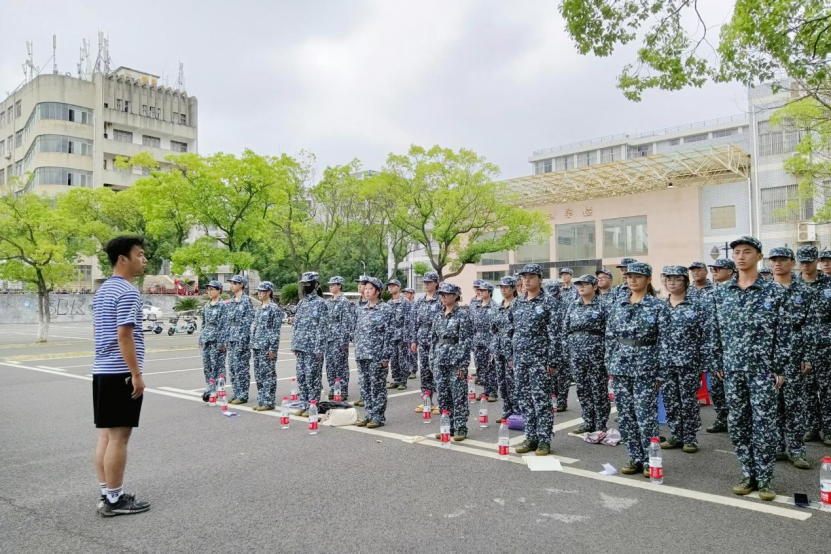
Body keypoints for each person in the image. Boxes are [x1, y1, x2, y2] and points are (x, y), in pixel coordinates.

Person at [711, 236, 791, 501]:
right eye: (737, 252)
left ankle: (765, 478)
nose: (741, 256)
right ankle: (747, 473)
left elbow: (784, 333)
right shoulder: (721, 293)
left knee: (764, 423)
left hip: (763, 370)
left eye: (747, 252)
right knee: (739, 423)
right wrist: (717, 363)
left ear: (759, 257)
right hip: (733, 370)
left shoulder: (775, 292)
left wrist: (780, 369)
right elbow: (715, 332)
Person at [93, 235, 150, 517]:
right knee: (119, 437)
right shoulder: (127, 292)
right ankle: (115, 501)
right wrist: (136, 374)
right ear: (123, 259)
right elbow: (124, 335)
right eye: (140, 254)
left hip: (102, 370)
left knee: (105, 434)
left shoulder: (103, 290)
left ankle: (107, 492)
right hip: (120, 373)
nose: (144, 259)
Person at [605, 262, 669, 477]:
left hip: (646, 366)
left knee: (646, 416)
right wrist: (609, 363)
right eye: (629, 276)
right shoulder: (619, 305)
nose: (632, 280)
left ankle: (651, 460)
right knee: (625, 415)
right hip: (621, 366)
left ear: (648, 279)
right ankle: (635, 457)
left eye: (638, 276)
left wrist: (660, 372)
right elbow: (610, 337)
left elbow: (664, 341)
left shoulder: (658, 306)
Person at [510, 264, 565, 456]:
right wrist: (511, 356)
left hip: (540, 360)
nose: (526, 280)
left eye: (531, 276)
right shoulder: (517, 303)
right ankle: (530, 437)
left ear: (540, 279)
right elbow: (511, 331)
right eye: (524, 277)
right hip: (520, 359)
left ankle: (543, 440)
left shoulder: (549, 303)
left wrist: (553, 361)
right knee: (524, 399)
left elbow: (556, 335)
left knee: (541, 400)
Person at [768, 247, 814, 466]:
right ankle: (776, 447)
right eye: (774, 260)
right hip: (769, 356)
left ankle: (796, 450)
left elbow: (810, 326)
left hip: (795, 355)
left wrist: (808, 356)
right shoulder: (763, 290)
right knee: (771, 403)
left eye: (783, 259)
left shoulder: (804, 291)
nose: (778, 263)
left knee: (795, 405)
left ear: (793, 262)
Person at [658, 265, 710, 453]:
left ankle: (690, 438)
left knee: (688, 401)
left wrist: (704, 363)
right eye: (668, 279)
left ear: (686, 282)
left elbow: (706, 336)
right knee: (671, 400)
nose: (672, 283)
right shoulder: (660, 307)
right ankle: (675, 435)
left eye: (677, 279)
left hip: (689, 362)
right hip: (665, 363)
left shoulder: (697, 306)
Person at [563, 274, 610, 434]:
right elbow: (566, 330)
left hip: (597, 354)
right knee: (582, 388)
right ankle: (588, 421)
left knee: (598, 389)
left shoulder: (603, 306)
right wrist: (567, 352)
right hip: (576, 354)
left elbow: (610, 333)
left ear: (595, 287)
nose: (581, 287)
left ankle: (601, 423)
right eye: (579, 284)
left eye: (585, 284)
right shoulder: (573, 306)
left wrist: (607, 355)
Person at [795, 245, 831, 447]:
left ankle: (829, 430)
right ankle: (812, 427)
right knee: (807, 391)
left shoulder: (829, 284)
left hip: (827, 346)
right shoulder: (794, 286)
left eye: (809, 261)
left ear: (817, 261)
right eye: (802, 261)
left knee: (828, 391)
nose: (806, 265)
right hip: (802, 347)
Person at [430, 282, 474, 441]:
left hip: (455, 361)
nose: (443, 297)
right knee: (443, 396)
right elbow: (433, 340)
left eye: (447, 294)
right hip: (440, 360)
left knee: (458, 396)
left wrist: (463, 364)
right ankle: (447, 426)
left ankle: (460, 427)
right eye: (441, 294)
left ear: (456, 296)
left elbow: (465, 341)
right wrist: (431, 360)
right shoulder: (438, 314)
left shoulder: (463, 315)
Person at [354, 277, 394, 428]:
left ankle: (378, 416)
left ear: (378, 291)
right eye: (365, 288)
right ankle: (369, 414)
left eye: (370, 288)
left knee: (377, 387)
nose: (366, 291)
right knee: (365, 386)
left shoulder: (385, 309)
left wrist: (385, 356)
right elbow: (357, 331)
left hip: (377, 355)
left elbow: (390, 334)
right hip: (362, 354)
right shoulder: (361, 309)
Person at [704, 257, 736, 434]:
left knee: (734, 388)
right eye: (712, 269)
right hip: (711, 346)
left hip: (731, 346)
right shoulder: (710, 292)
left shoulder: (735, 291)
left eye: (718, 268)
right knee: (716, 387)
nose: (714, 271)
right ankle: (722, 418)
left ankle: (736, 419)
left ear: (730, 271)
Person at [292, 272, 327, 417]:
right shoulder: (301, 302)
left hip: (313, 347)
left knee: (312, 377)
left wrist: (319, 348)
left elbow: (323, 327)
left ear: (316, 285)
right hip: (301, 346)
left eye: (308, 283)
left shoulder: (321, 303)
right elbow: (297, 325)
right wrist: (294, 344)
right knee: (301, 376)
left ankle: (313, 405)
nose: (305, 286)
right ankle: (305, 403)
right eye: (304, 284)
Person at [411, 272, 442, 413]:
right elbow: (415, 322)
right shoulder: (420, 301)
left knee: (437, 370)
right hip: (422, 339)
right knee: (424, 371)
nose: (427, 284)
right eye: (425, 282)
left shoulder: (441, 300)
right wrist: (414, 340)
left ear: (436, 283)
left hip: (436, 340)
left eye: (429, 282)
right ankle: (427, 400)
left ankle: (442, 402)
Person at [250, 282, 283, 411]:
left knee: (268, 375)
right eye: (258, 291)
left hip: (267, 346)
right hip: (257, 345)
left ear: (269, 292)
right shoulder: (259, 308)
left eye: (262, 291)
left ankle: (268, 401)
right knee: (258, 375)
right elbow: (255, 328)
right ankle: (261, 400)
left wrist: (273, 348)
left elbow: (275, 330)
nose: (259, 293)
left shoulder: (274, 309)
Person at [491, 276, 517, 420]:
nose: (503, 289)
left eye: (506, 287)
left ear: (513, 288)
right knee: (502, 382)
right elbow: (493, 329)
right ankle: (507, 410)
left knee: (513, 382)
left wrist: (513, 354)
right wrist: (493, 349)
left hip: (512, 349)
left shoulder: (518, 305)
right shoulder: (498, 307)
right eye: (501, 287)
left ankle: (517, 411)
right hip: (499, 348)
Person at [226, 275, 255, 405]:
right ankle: (236, 392)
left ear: (241, 285)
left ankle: (243, 394)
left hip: (241, 338)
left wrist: (243, 339)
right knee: (232, 367)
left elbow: (248, 321)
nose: (231, 285)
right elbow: (228, 321)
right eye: (231, 283)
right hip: (231, 337)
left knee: (241, 367)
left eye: (234, 283)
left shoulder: (246, 301)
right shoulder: (231, 301)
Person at [200, 281, 228, 402]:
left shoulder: (222, 306)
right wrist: (201, 338)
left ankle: (218, 388)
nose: (209, 291)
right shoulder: (206, 305)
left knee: (217, 366)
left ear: (219, 291)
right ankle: (210, 387)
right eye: (208, 289)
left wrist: (222, 342)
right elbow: (204, 323)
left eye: (212, 289)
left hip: (217, 340)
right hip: (207, 339)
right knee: (207, 366)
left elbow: (225, 325)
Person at [325, 276, 352, 401]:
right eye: (330, 284)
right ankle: (333, 388)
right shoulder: (328, 302)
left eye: (333, 284)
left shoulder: (344, 302)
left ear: (339, 285)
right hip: (329, 339)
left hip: (339, 339)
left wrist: (344, 341)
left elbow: (346, 322)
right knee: (330, 366)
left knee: (341, 366)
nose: (331, 286)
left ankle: (343, 390)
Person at [471, 281, 498, 401]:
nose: (480, 292)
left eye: (483, 290)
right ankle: (485, 390)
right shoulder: (476, 306)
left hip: (490, 340)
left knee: (490, 368)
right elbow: (472, 324)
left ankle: (492, 391)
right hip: (478, 341)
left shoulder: (495, 307)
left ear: (489, 292)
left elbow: (497, 327)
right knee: (480, 367)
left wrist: (495, 344)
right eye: (479, 290)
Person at [385, 279, 412, 391]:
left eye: (393, 286)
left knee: (402, 359)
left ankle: (403, 381)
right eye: (389, 286)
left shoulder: (405, 302)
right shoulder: (389, 303)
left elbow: (408, 320)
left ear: (399, 287)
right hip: (391, 336)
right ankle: (396, 380)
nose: (391, 288)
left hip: (401, 335)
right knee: (394, 359)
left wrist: (406, 337)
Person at [402, 287, 418, 380]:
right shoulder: (404, 305)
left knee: (413, 352)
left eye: (408, 293)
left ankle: (413, 370)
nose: (406, 295)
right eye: (405, 293)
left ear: (412, 294)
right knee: (406, 352)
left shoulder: (416, 304)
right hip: (406, 331)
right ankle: (407, 368)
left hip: (414, 331)